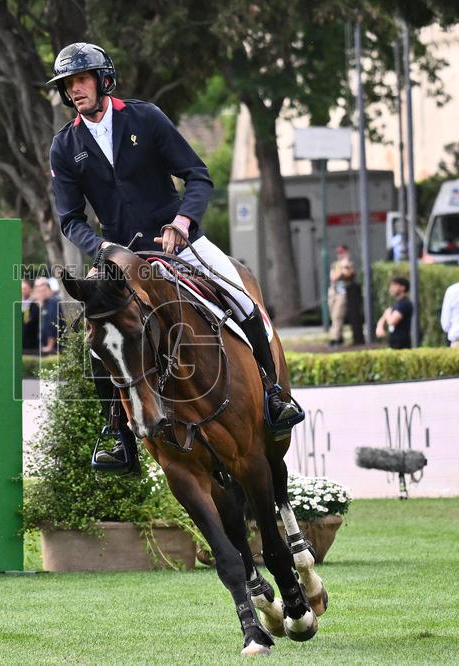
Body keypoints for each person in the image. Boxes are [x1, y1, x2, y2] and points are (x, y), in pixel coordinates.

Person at [47, 42, 302, 473]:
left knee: (243, 300)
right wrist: (104, 249)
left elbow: (197, 176)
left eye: (82, 80)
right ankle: (117, 434)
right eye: (68, 85)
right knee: (91, 338)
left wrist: (183, 222)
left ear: (104, 80)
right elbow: (70, 220)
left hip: (180, 239)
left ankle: (275, 397)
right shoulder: (65, 145)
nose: (75, 90)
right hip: (118, 254)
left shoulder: (145, 118)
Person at [327, 245, 356, 346]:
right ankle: (339, 337)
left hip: (343, 293)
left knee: (337, 316)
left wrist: (344, 267)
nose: (340, 255)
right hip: (333, 292)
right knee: (333, 316)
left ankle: (334, 339)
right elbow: (333, 277)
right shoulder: (335, 264)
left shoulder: (350, 264)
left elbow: (349, 274)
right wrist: (342, 268)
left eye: (342, 253)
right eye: (338, 253)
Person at [374, 277, 413, 350]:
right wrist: (380, 326)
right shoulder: (396, 304)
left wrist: (387, 313)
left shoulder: (405, 304)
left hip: (402, 345)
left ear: (403, 287)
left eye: (394, 285)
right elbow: (384, 318)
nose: (391, 288)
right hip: (393, 344)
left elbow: (392, 321)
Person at [33, 278, 59, 355]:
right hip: (43, 345)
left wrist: (50, 346)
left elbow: (53, 324)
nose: (41, 293)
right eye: (38, 290)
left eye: (43, 290)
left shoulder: (53, 302)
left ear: (49, 289)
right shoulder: (43, 303)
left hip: (54, 348)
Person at [21, 279, 41, 354]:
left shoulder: (36, 305)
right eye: (21, 288)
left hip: (31, 346)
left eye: (25, 288)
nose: (22, 290)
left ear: (31, 289)